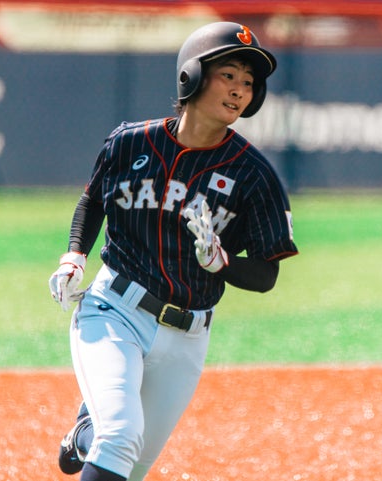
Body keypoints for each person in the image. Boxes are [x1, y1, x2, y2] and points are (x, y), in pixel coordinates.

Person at [48, 21, 299, 481]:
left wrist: (220, 263)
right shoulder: (130, 142)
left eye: (249, 83)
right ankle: (96, 431)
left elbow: (266, 275)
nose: (240, 90)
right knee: (121, 436)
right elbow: (94, 199)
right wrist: (73, 256)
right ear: (193, 76)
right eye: (229, 75)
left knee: (133, 464)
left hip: (188, 336)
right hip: (114, 309)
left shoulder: (254, 175)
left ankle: (85, 433)